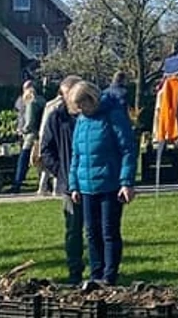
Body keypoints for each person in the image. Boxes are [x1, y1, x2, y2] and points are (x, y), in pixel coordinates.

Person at [67, 80, 139, 285]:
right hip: (86, 186)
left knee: (109, 231)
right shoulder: (81, 121)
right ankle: (95, 274)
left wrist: (126, 182)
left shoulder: (113, 115)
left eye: (83, 105)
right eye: (77, 107)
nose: (81, 110)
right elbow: (77, 154)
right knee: (91, 232)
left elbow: (127, 150)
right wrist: (74, 185)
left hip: (110, 184)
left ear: (92, 99)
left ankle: (109, 275)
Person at [40, 75, 87, 283]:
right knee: (73, 229)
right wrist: (62, 173)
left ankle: (100, 270)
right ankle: (74, 270)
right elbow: (46, 150)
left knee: (97, 229)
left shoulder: (91, 115)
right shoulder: (57, 117)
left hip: (92, 179)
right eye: (65, 94)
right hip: (69, 182)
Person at [12, 81, 45, 193]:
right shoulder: (42, 101)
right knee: (40, 160)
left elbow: (29, 121)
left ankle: (17, 183)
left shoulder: (31, 103)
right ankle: (44, 182)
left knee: (24, 158)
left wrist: (22, 130)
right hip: (41, 134)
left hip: (31, 136)